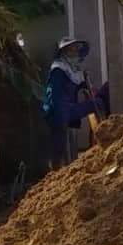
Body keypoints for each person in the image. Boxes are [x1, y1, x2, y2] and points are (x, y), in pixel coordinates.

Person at [41, 36, 95, 167]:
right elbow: (55, 96)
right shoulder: (58, 70)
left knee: (67, 145)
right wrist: (63, 116)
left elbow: (82, 85)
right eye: (72, 50)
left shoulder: (73, 69)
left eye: (76, 50)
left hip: (68, 109)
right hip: (58, 112)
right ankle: (56, 174)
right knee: (58, 146)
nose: (75, 52)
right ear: (64, 53)